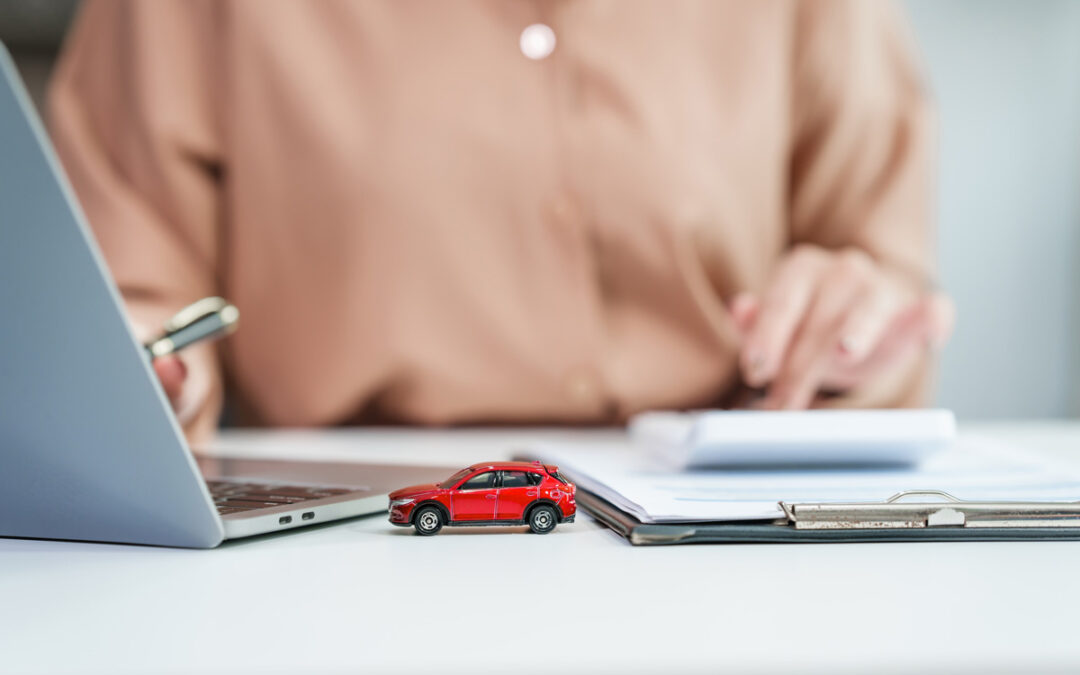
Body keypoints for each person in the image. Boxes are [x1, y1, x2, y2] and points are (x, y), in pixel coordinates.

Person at [48, 0, 953, 445]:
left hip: (723, 531)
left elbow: (869, 263)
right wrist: (137, 362)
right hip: (345, 553)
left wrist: (848, 333)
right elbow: (141, 296)